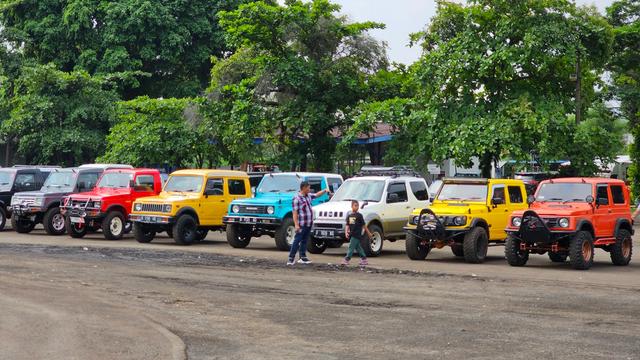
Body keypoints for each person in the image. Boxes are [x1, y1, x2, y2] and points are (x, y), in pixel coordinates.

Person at [287, 181, 331, 266]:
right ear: (303, 188)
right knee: (297, 240)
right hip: (302, 224)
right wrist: (296, 224)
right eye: (308, 188)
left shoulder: (308, 196)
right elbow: (295, 213)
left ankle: (302, 257)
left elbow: (317, 195)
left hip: (309, 223)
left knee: (304, 240)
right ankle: (291, 258)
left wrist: (325, 190)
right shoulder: (297, 199)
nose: (309, 189)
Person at [342, 200, 371, 266]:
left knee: (351, 247)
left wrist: (368, 233)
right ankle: (364, 259)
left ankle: (347, 259)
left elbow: (364, 225)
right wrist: (346, 232)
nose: (357, 207)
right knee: (358, 247)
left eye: (357, 206)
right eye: (355, 205)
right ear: (352, 206)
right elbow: (348, 225)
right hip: (352, 234)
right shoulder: (350, 216)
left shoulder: (359, 216)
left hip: (357, 234)